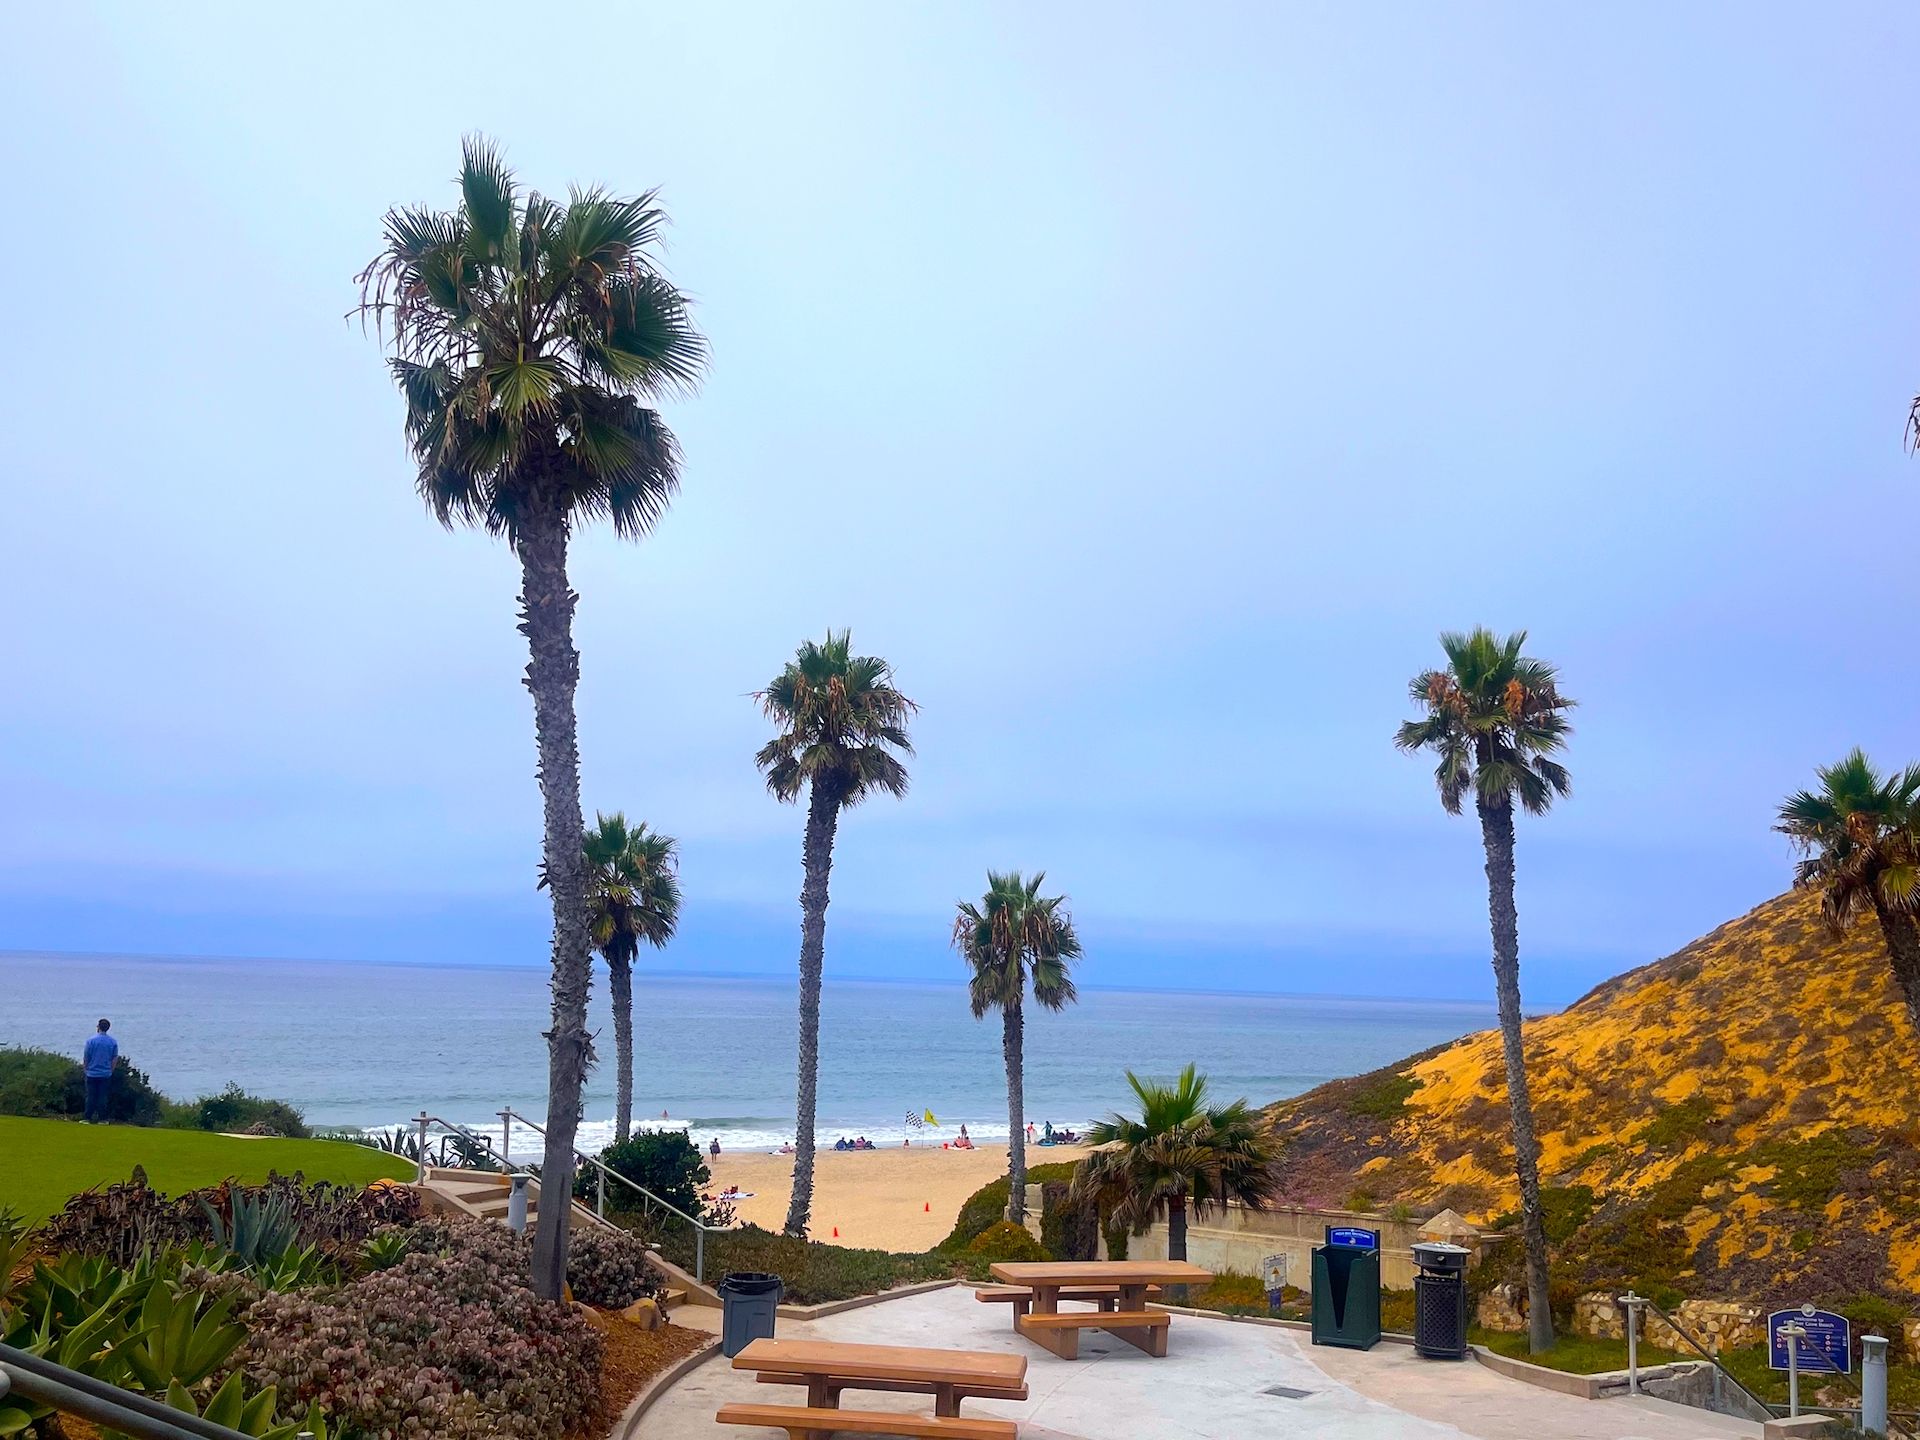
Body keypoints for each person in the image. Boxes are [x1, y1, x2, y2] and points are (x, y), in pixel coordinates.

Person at [82, 1019, 118, 1124]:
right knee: (102, 1097)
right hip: (105, 1073)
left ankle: (87, 1118)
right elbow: (114, 1058)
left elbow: (86, 1057)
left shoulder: (91, 1041)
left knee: (90, 1096)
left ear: (98, 1027)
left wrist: (85, 1069)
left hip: (91, 1073)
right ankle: (103, 1119)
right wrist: (111, 1070)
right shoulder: (112, 1042)